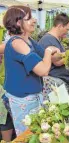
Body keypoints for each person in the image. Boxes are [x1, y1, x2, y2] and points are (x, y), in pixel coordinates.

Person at [3, 5, 59, 135]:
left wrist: (56, 54)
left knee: (36, 132)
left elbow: (51, 57)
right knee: (28, 134)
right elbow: (43, 70)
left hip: (33, 96)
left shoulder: (28, 40)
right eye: (29, 18)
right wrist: (49, 50)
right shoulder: (17, 43)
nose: (34, 21)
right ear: (18, 22)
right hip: (23, 99)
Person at [38, 13, 69, 96]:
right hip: (56, 82)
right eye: (67, 29)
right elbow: (57, 62)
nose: (67, 32)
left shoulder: (53, 39)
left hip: (59, 80)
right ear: (59, 26)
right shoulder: (48, 39)